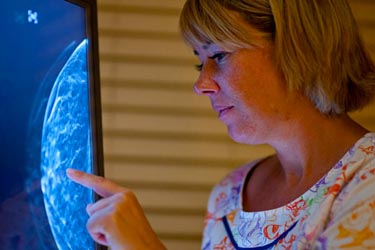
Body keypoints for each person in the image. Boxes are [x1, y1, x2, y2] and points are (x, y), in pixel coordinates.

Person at [67, 0, 375, 249]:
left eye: (219, 55)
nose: (201, 84)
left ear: (301, 47)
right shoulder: (229, 193)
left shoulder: (368, 185)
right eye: (200, 62)